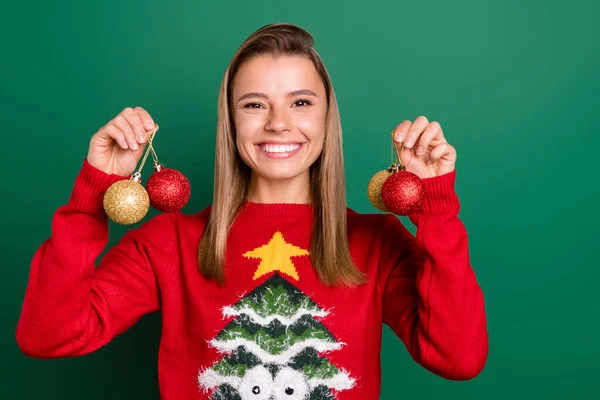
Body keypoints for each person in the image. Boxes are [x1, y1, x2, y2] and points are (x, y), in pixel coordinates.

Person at [15, 23, 488, 399]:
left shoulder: (376, 243)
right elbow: (49, 335)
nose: (279, 123)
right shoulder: (169, 242)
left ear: (326, 118)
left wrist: (437, 208)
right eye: (254, 104)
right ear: (231, 119)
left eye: (300, 102)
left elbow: (458, 357)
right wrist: (92, 194)